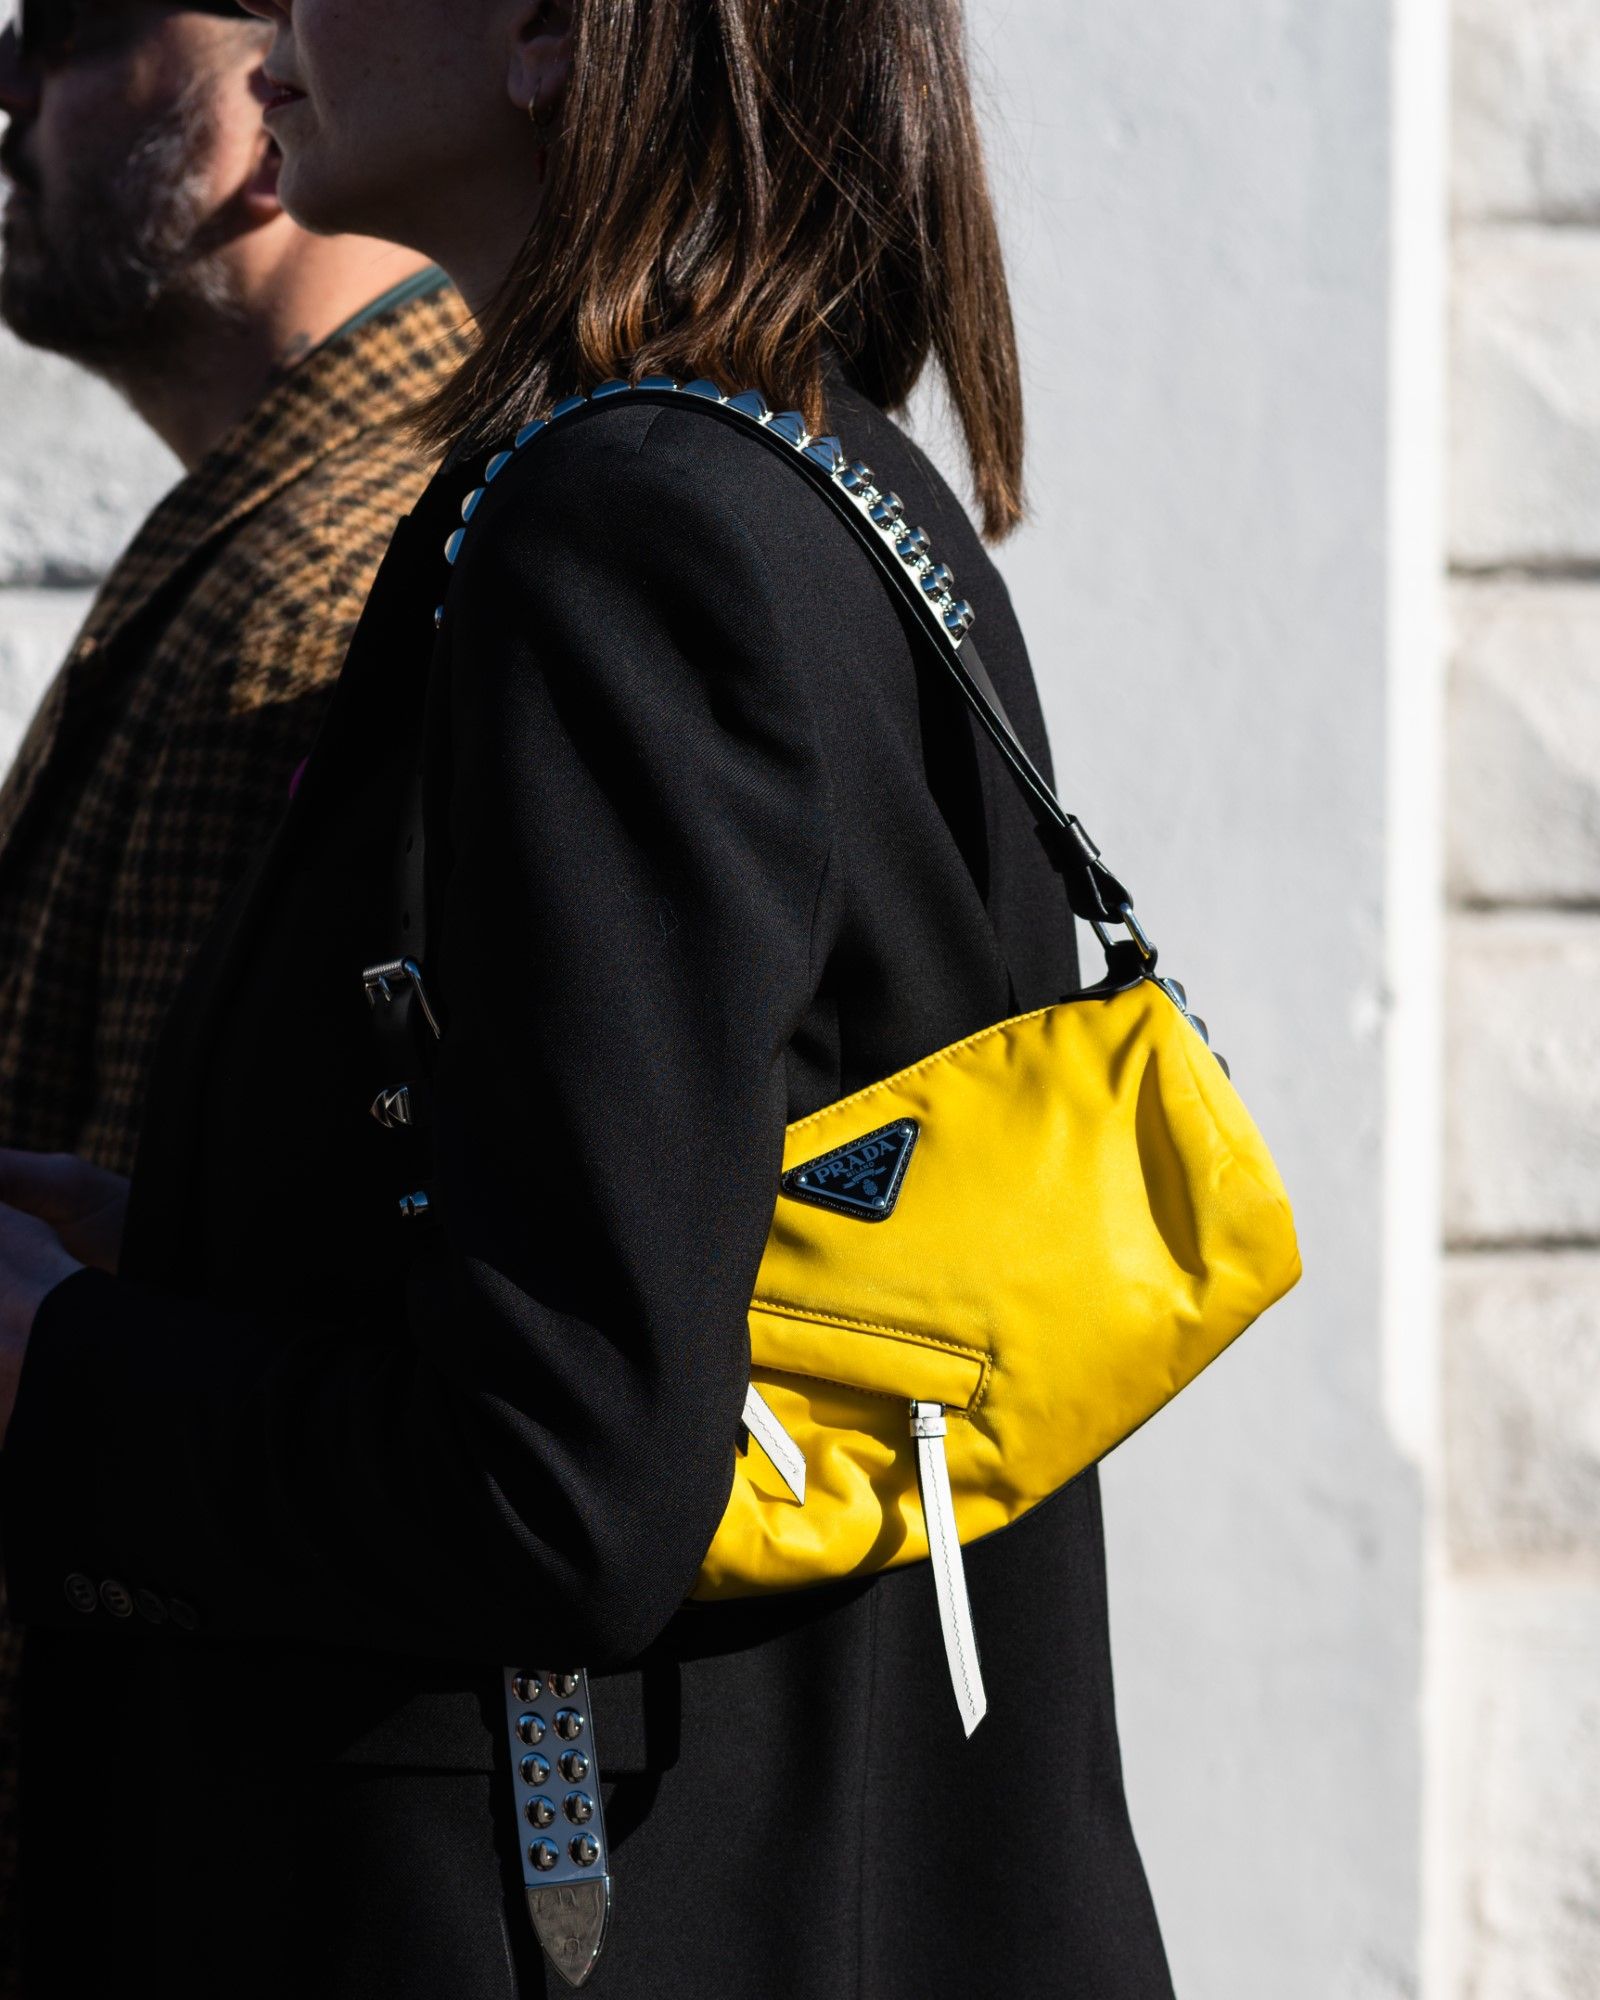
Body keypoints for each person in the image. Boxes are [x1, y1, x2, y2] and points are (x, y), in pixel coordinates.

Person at [0, 1, 1176, 1993]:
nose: (274, 23)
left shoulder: (617, 526)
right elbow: (667, 1254)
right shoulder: (805, 467)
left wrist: (69, 1375)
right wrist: (182, 1249)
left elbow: (562, 1483)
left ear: (551, 32)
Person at [0, 0, 471, 1980]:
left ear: (278, 84)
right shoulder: (268, 528)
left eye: (75, 27)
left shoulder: (335, 576)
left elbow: (152, 1390)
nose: (8, 83)